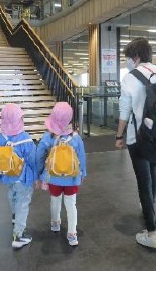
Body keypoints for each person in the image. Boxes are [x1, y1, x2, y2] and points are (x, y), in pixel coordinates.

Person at [115, 37, 156, 249]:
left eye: (128, 57)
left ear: (135, 57)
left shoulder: (129, 78)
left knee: (143, 180)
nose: (128, 62)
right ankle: (149, 208)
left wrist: (119, 137)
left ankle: (152, 232)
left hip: (139, 137)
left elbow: (124, 112)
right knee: (153, 171)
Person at [35, 102, 87, 247]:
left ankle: (55, 224)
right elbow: (81, 158)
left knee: (55, 201)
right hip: (71, 178)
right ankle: (72, 234)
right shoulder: (76, 138)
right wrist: (83, 173)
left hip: (53, 178)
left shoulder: (48, 136)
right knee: (71, 204)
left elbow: (39, 155)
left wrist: (40, 173)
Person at [0, 103, 37, 249]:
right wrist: (37, 179)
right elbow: (33, 161)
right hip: (23, 179)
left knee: (12, 196)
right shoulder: (26, 140)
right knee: (23, 203)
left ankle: (15, 216)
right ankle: (19, 236)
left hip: (8, 178)